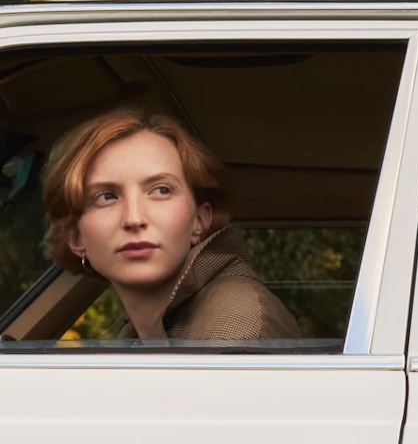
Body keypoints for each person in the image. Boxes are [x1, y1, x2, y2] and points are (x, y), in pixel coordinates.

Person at [43, 107, 300, 342]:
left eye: (161, 190)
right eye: (107, 196)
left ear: (200, 220)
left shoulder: (233, 322)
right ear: (75, 238)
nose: (134, 219)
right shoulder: (143, 335)